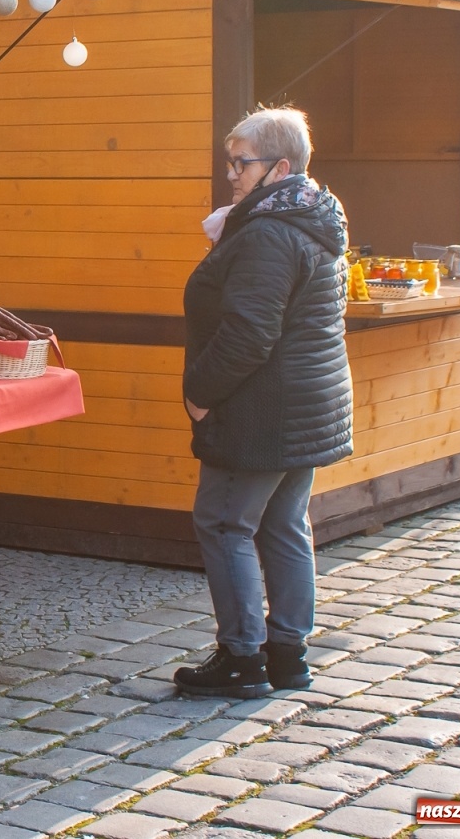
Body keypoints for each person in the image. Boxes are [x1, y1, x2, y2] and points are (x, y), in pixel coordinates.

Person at [174, 107, 353, 698]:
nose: (231, 173)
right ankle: (287, 656)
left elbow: (249, 333)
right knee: (282, 524)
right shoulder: (308, 217)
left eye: (241, 163)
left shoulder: (271, 233)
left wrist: (198, 393)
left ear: (279, 167)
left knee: (224, 522)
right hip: (302, 405)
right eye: (230, 161)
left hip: (261, 409)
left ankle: (242, 659)